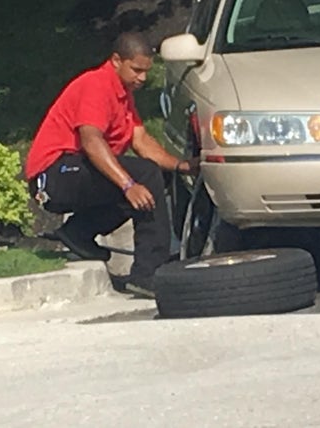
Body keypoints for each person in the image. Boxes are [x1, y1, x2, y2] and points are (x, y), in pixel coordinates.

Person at [24, 32, 198, 298]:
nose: (142, 78)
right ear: (117, 60)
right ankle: (148, 273)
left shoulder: (123, 94)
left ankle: (78, 232)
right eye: (136, 70)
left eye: (146, 72)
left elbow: (140, 141)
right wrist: (128, 185)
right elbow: (91, 141)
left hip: (77, 171)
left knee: (159, 175)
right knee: (145, 175)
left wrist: (182, 166)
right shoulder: (97, 85)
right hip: (52, 176)